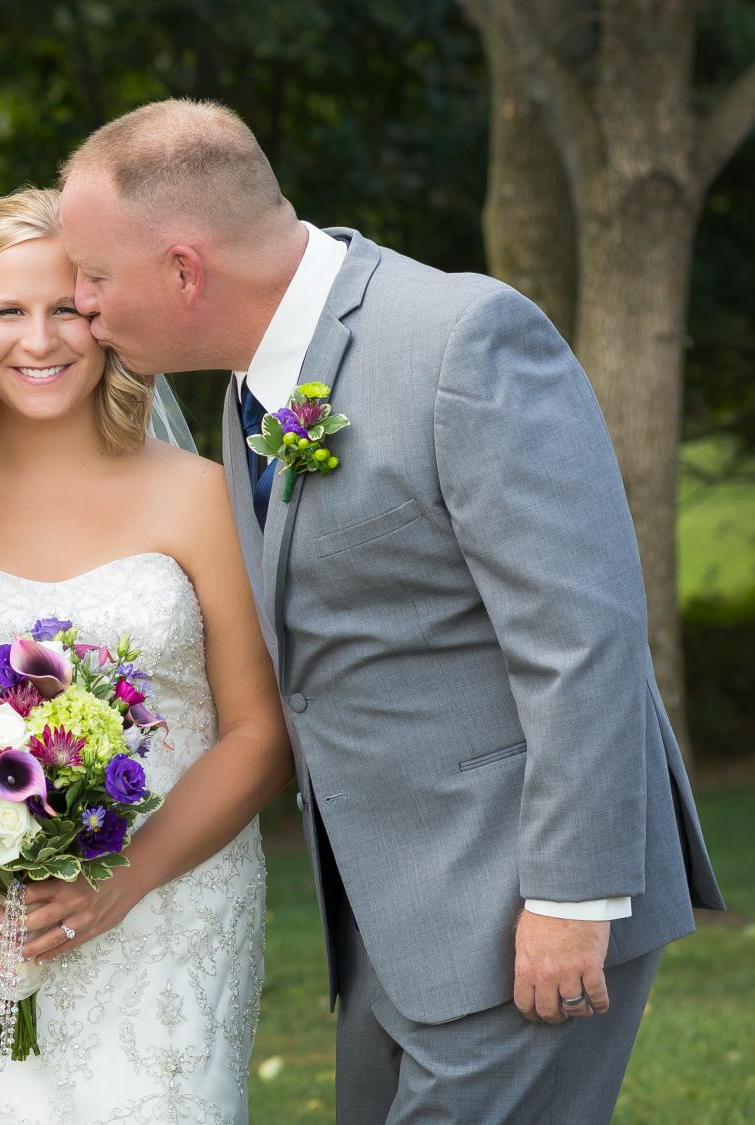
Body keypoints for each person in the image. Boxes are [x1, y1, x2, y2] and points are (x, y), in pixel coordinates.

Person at [56, 98, 726, 1123]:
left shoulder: (461, 341)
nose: (80, 305)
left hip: (519, 903)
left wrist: (569, 898)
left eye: (93, 275)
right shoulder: (246, 389)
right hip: (393, 922)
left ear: (184, 270)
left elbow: (581, 638)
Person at [0, 187, 292, 1123]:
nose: (41, 340)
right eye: (8, 312)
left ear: (106, 318)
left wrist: (127, 877)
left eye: (68, 308)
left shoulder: (202, 496)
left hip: (166, 910)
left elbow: (260, 734)